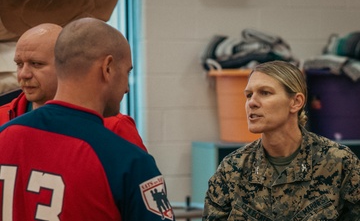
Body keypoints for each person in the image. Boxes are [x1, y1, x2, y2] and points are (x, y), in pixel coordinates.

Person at [0, 17, 174, 220]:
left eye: (36, 64)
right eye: (126, 72)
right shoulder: (129, 161)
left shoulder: (6, 135)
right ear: (107, 68)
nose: (127, 88)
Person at [203, 60, 360, 221]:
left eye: (265, 93)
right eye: (249, 95)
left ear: (296, 102)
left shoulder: (339, 163)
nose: (251, 102)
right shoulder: (232, 170)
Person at [0, 22, 147, 151]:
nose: (24, 74)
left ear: (65, 65)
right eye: (19, 64)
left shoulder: (115, 127)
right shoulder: (3, 117)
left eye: (36, 64)